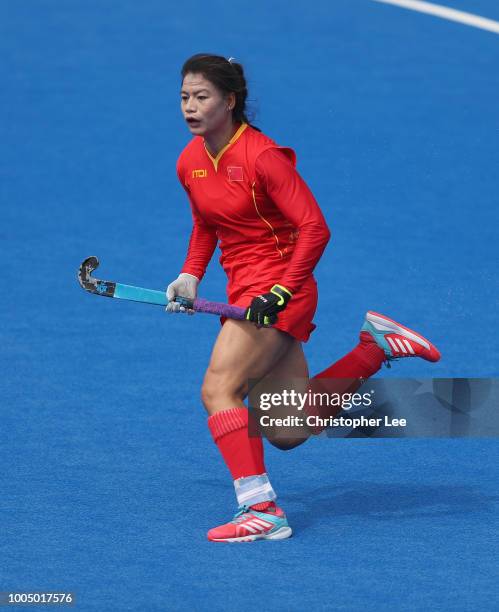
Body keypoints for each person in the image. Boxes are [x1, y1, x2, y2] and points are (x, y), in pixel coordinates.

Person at [166, 54, 441, 543]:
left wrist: (280, 290)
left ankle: (261, 508)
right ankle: (374, 346)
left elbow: (315, 227)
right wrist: (190, 275)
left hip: (281, 288)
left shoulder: (261, 156)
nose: (190, 106)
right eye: (185, 96)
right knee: (289, 428)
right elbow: (207, 224)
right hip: (245, 292)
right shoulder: (190, 161)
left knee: (217, 390)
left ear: (230, 101)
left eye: (202, 96)